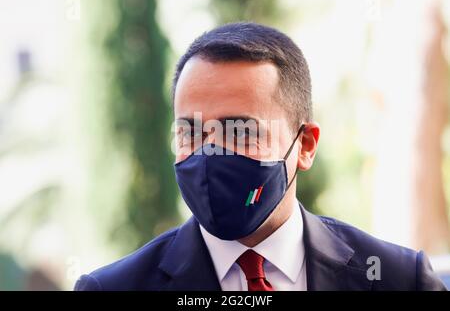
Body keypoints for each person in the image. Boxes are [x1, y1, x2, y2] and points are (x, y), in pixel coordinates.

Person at [75, 22, 446, 291]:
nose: (211, 152)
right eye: (191, 132)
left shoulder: (397, 279)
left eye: (240, 131)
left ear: (305, 145)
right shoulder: (113, 288)